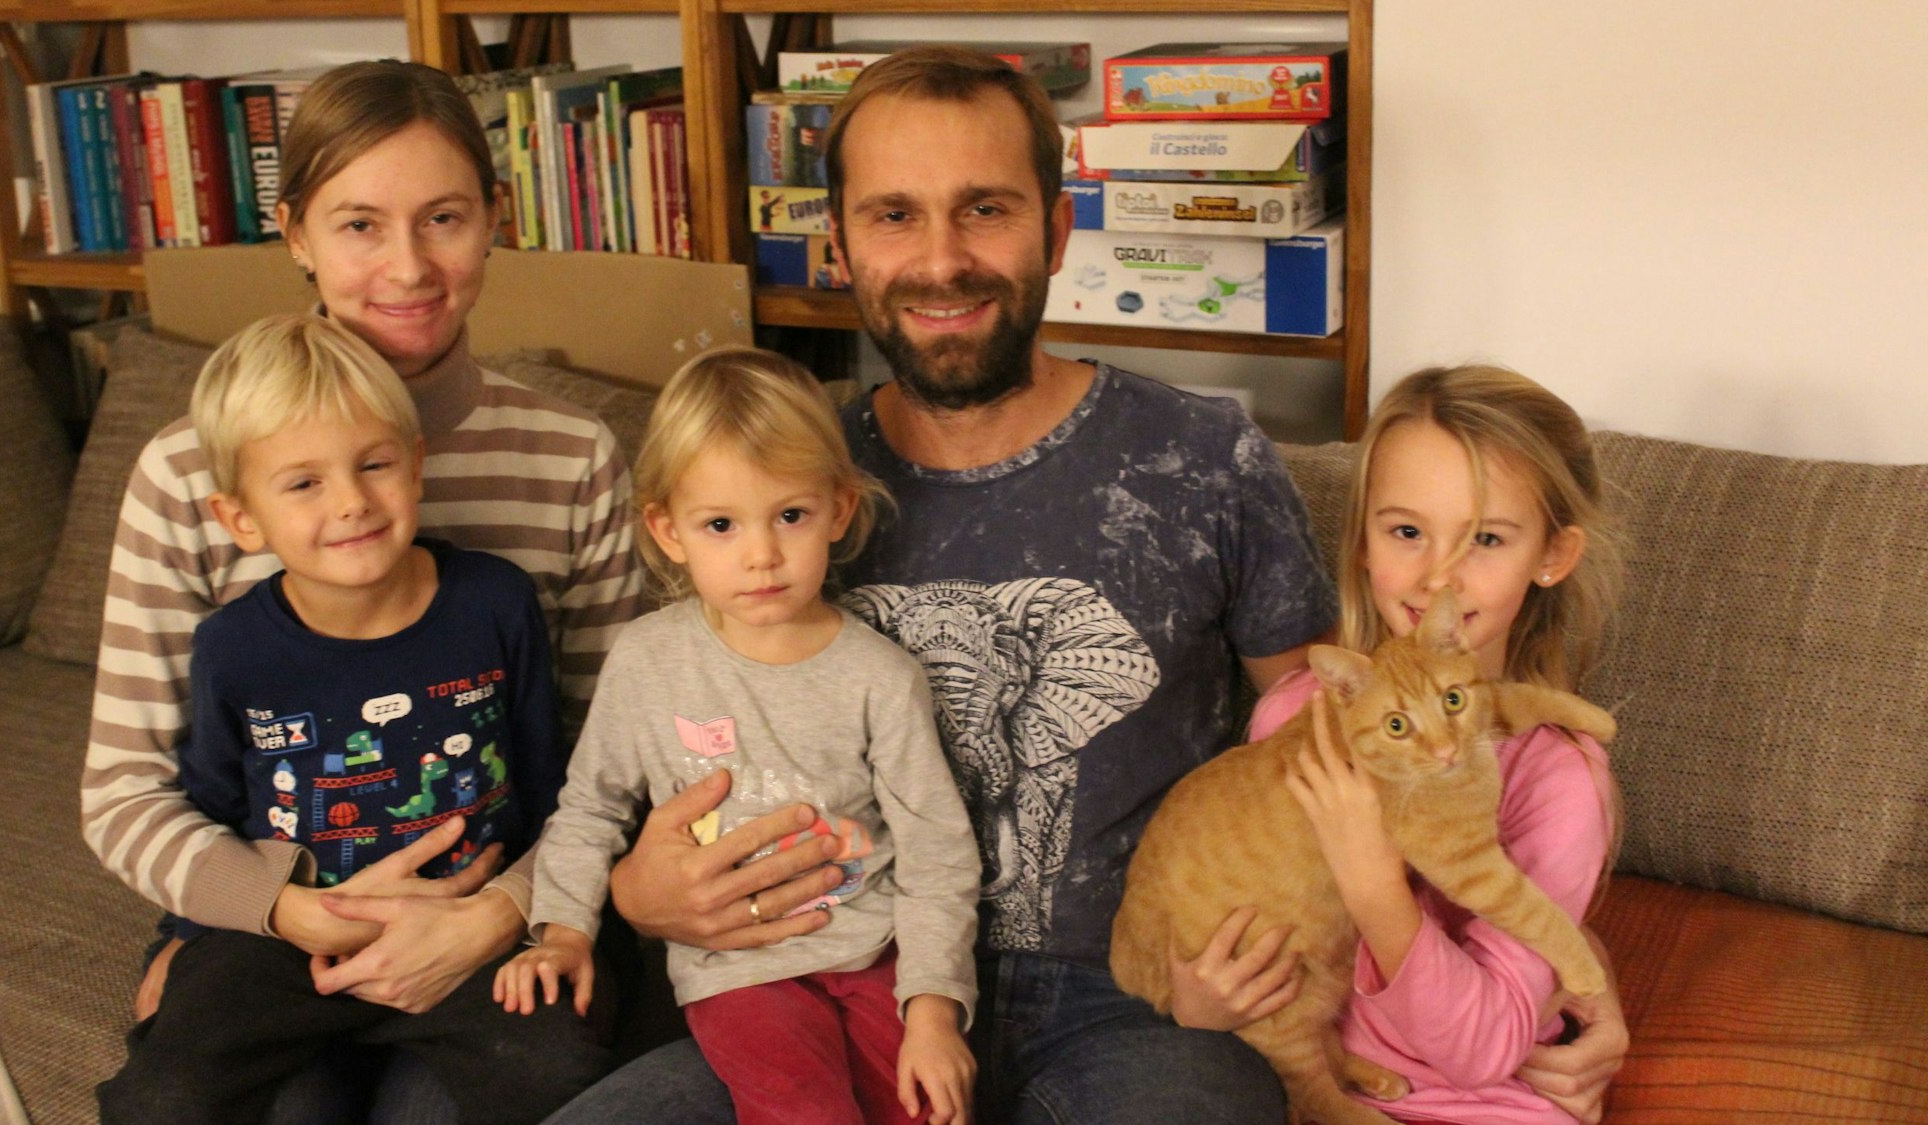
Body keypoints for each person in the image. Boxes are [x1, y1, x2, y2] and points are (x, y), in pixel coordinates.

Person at [554, 45, 1631, 1125]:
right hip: (832, 981)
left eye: (984, 209)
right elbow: (656, 743)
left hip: (1128, 1004)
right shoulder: (777, 484)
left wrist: (1567, 966)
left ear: (1057, 230)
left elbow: (1367, 746)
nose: (940, 260)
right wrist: (634, 895)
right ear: (837, 244)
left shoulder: (1206, 460)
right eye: (892, 216)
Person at [79, 60, 641, 1119]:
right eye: (357, 225)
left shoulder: (571, 460)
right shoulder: (186, 471)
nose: (407, 266)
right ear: (293, 233)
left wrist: (502, 912)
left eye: (442, 218)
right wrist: (269, 910)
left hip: (495, 915)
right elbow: (124, 794)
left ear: (494, 221)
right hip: (279, 925)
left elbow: (618, 759)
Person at [97, 314, 601, 1124]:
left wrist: (539, 915)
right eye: (303, 483)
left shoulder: (496, 603)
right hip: (289, 940)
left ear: (417, 463)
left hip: (468, 928)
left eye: (374, 464)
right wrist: (187, 932)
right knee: (161, 1095)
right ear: (241, 520)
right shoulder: (231, 647)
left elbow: (554, 780)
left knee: (564, 1070)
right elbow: (212, 802)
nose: (353, 503)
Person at [497, 346, 983, 1125]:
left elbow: (936, 854)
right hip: (738, 971)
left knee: (928, 1107)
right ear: (668, 529)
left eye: (790, 515)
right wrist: (562, 934)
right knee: (804, 1110)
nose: (761, 555)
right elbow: (589, 810)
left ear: (840, 508)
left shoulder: (882, 677)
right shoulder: (648, 659)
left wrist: (932, 1010)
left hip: (877, 957)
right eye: (721, 523)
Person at [1230, 364, 1626, 1123]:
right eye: (1407, 531)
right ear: (1363, 545)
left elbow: (1484, 1049)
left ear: (1552, 555)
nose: (1438, 575)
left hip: (1477, 1104)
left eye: (1484, 538)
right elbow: (1259, 939)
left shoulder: (1559, 778)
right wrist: (1203, 991)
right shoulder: (1294, 716)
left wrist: (1374, 882)